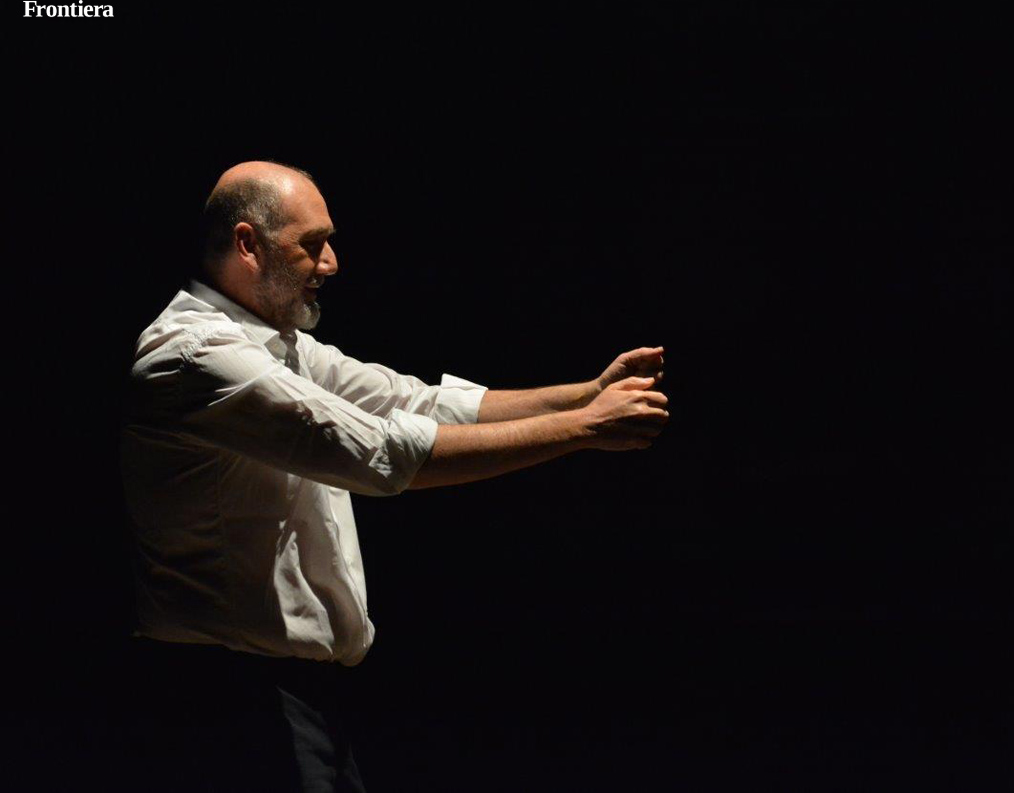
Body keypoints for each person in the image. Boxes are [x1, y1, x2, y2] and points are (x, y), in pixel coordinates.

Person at [118, 160, 669, 792]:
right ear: (248, 245)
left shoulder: (279, 345)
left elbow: (415, 401)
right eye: (311, 245)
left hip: (291, 697)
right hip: (226, 702)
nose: (331, 264)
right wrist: (585, 428)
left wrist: (584, 394)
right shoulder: (197, 358)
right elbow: (380, 452)